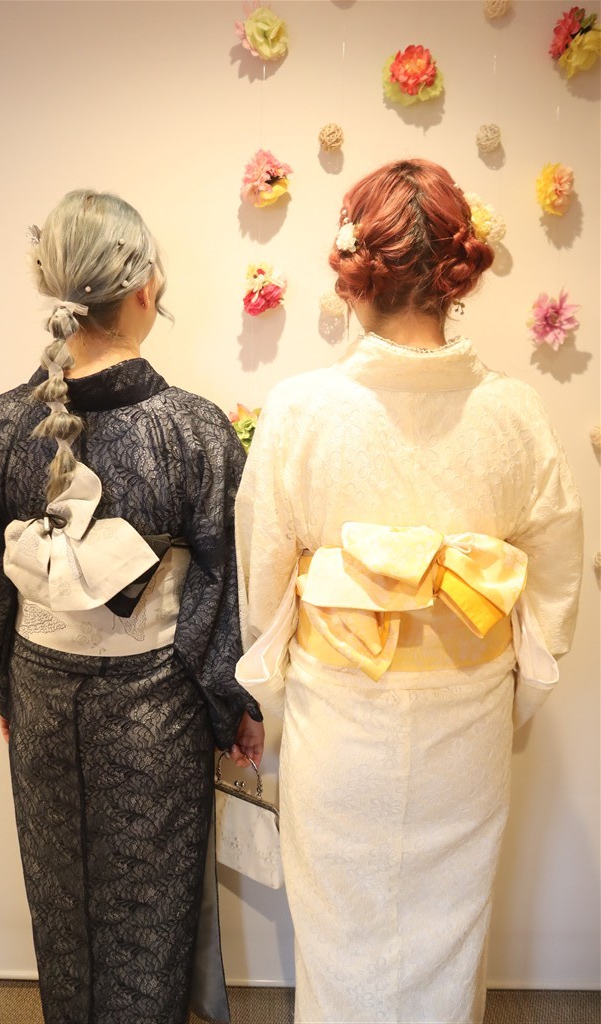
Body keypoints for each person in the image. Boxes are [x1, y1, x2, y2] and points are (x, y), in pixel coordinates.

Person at [235, 159, 582, 1024]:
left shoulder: (300, 409)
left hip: (339, 714)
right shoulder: (513, 412)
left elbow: (264, 580)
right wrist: (516, 690)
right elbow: (553, 576)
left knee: (338, 931)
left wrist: (282, 690)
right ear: (454, 273)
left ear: (357, 270)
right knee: (448, 928)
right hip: (466, 714)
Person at [0, 189, 264, 1024]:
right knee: (151, 910)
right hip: (158, 714)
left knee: (62, 897)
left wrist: (1, 681)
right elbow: (226, 582)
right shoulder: (190, 430)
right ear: (146, 287)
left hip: (43, 700)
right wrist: (230, 704)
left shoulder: (2, 425)